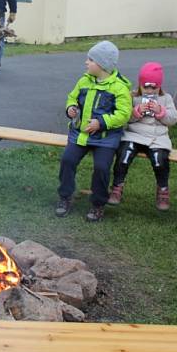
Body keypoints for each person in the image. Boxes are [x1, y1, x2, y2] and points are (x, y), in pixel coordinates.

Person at [56, 41, 132, 222]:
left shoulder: (119, 87)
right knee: (67, 160)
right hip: (80, 134)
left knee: (101, 168)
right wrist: (71, 108)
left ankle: (98, 204)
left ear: (102, 65)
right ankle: (65, 197)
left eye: (90, 59)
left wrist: (102, 122)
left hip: (105, 139)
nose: (86, 62)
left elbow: (123, 114)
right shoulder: (84, 80)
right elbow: (72, 97)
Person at [107, 62, 177, 211]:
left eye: (154, 87)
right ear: (140, 85)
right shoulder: (133, 97)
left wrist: (162, 112)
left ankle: (163, 189)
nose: (150, 90)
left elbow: (174, 118)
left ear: (159, 86)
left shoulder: (165, 98)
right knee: (124, 155)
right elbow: (124, 118)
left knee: (160, 160)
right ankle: (117, 186)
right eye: (146, 86)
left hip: (157, 138)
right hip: (134, 135)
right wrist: (135, 112)